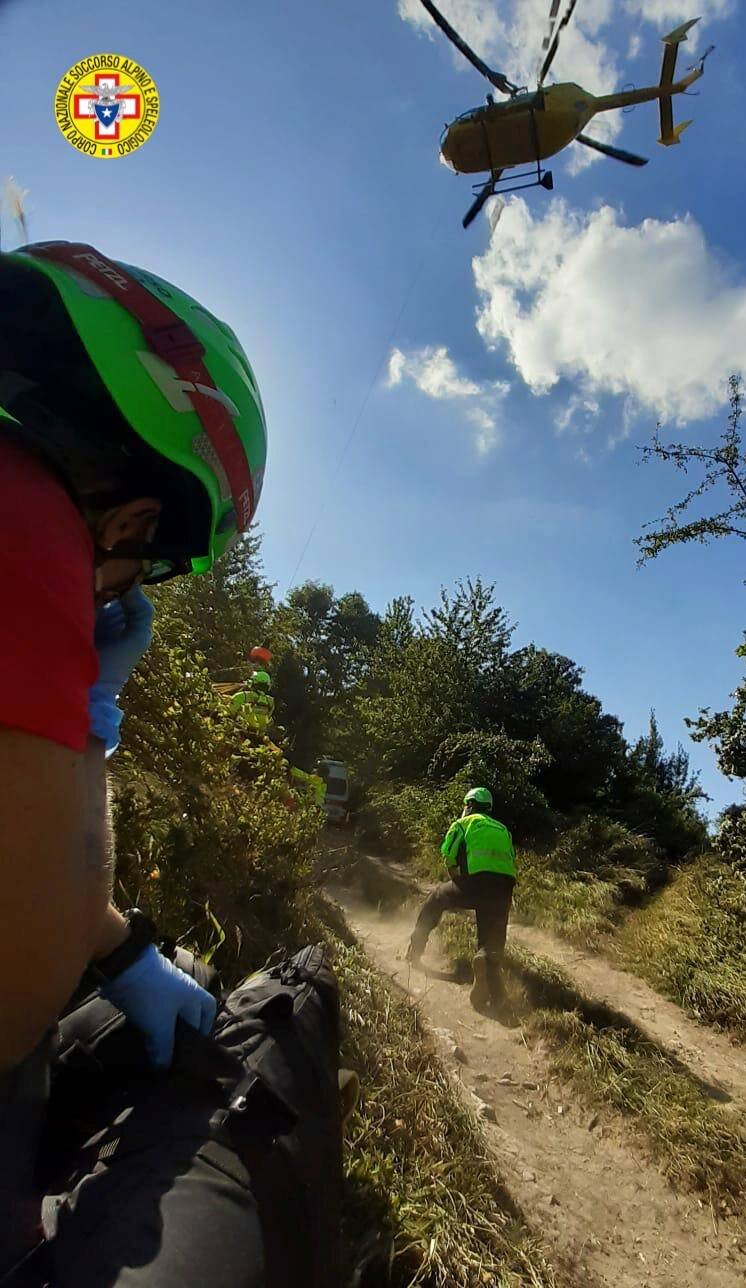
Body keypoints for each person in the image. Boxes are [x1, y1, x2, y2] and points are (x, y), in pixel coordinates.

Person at [0, 239, 343, 1283]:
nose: (120, 589)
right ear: (137, 518)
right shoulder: (27, 513)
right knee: (245, 1080)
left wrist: (121, 955)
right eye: (140, 564)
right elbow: (17, 977)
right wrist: (91, 721)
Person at [406, 787, 517, 1011]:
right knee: (492, 937)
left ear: (469, 805)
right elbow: (510, 860)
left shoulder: (463, 823)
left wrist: (457, 881)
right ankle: (495, 991)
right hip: (504, 887)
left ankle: (415, 950)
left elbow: (448, 854)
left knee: (435, 900)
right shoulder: (503, 829)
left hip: (474, 884)